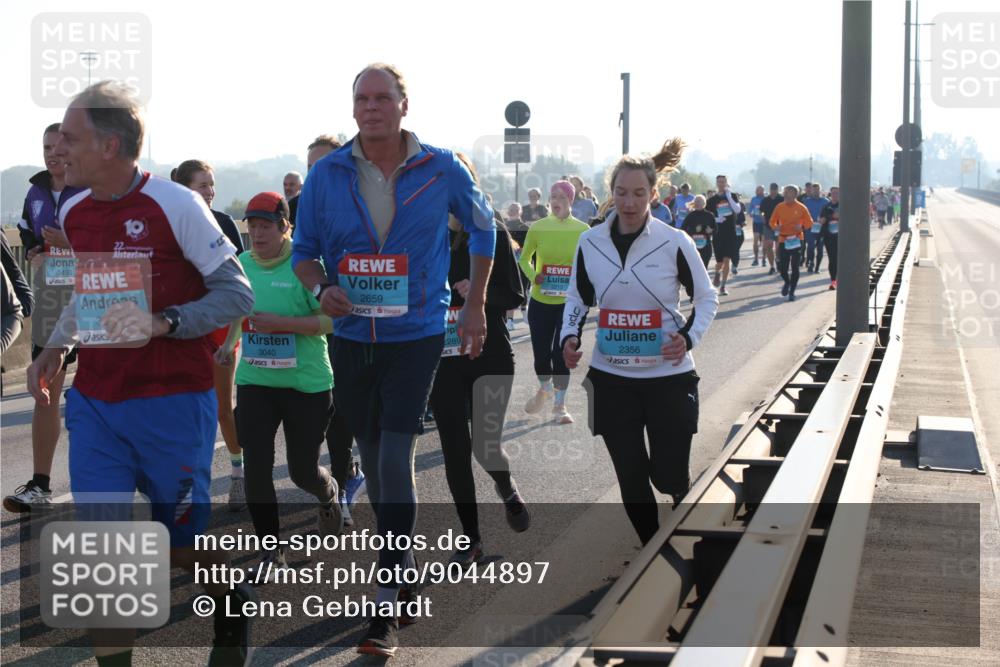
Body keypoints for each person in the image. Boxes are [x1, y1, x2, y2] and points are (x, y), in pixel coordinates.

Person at [27, 81, 256, 665]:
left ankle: (231, 606)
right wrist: (55, 348)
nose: (59, 151)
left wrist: (164, 322)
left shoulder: (177, 204)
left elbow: (237, 295)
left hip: (173, 405)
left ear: (109, 145)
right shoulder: (73, 210)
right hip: (99, 403)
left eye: (70, 139)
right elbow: (92, 294)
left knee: (183, 552)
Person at [292, 63, 496, 658]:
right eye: (362, 98)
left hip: (417, 332)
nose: (371, 107)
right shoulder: (326, 174)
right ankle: (402, 563)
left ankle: (382, 607)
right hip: (351, 335)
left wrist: (476, 305)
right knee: (377, 461)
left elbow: (484, 232)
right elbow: (305, 253)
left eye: (383, 97)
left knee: (393, 452)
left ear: (404, 105)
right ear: (352, 107)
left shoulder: (442, 167)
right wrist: (319, 287)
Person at [561, 147, 717, 545]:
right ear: (610, 193)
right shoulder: (590, 242)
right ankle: (653, 551)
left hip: (668, 377)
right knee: (630, 474)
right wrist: (569, 336)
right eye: (621, 193)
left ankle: (682, 498)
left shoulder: (674, 241)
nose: (629, 202)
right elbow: (578, 298)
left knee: (666, 475)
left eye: (638, 193)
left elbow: (706, 298)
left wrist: (688, 338)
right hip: (611, 379)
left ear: (653, 195)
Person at [215, 192, 342, 572]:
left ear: (285, 227)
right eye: (251, 226)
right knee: (257, 466)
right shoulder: (242, 264)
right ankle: (272, 549)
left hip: (307, 383)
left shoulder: (306, 267)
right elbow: (239, 314)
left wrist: (283, 324)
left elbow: (332, 321)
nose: (257, 233)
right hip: (256, 381)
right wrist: (227, 345)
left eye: (266, 226)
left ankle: (327, 492)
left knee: (302, 471)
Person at [429, 155, 529, 567]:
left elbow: (516, 297)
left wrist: (480, 294)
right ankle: (471, 540)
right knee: (454, 450)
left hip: (489, 356)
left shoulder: (494, 233)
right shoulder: (429, 237)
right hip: (445, 359)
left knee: (486, 447)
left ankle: (507, 490)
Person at [4, 122, 85, 513]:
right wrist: (36, 249)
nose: (52, 153)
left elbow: (111, 242)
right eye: (46, 146)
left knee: (106, 391)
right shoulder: (35, 191)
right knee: (45, 389)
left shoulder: (90, 188)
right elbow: (25, 230)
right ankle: (40, 484)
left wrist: (71, 244)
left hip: (98, 296)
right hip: (53, 298)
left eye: (59, 145)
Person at [171, 159, 248, 510]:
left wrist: (232, 339)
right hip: (184, 328)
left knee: (221, 409)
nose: (211, 191)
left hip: (220, 329)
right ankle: (187, 487)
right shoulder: (169, 222)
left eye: (212, 184)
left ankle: (238, 472)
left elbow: (241, 290)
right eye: (203, 185)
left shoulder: (224, 223)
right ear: (186, 190)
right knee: (183, 411)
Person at [518, 180, 589, 424]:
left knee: (561, 354)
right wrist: (533, 275)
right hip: (540, 300)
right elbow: (524, 259)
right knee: (541, 355)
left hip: (569, 303)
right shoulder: (538, 227)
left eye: (562, 197)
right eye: (553, 196)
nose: (556, 201)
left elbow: (587, 265)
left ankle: (560, 406)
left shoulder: (582, 230)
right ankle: (545, 388)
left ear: (571, 200)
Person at [769, 185, 813, 302]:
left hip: (797, 239)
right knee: (782, 268)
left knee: (795, 267)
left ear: (795, 194)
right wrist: (776, 227)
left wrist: (802, 226)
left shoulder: (801, 207)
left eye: (790, 192)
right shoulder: (779, 207)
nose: (787, 194)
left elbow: (809, 222)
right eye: (786, 192)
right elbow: (771, 221)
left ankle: (792, 292)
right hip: (783, 239)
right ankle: (787, 283)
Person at [288, 134, 342, 225]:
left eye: (321, 166)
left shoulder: (357, 202)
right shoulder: (295, 207)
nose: (314, 172)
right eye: (310, 167)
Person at [705, 175, 742, 296]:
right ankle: (716, 273)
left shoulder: (733, 196)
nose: (721, 184)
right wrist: (716, 219)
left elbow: (737, 210)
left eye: (723, 182)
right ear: (716, 184)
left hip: (730, 232)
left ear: (726, 183)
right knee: (719, 262)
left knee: (727, 260)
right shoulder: (711, 200)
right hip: (718, 233)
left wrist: (729, 197)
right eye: (719, 182)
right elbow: (707, 217)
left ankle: (723, 286)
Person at [680, 195, 716, 268]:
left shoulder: (710, 215)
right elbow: (682, 230)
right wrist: (693, 231)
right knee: (694, 268)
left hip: (706, 246)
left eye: (699, 201)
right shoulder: (690, 216)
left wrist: (711, 231)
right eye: (696, 202)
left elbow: (716, 230)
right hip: (694, 246)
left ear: (704, 203)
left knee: (704, 267)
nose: (697, 203)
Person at [803, 183, 830, 273]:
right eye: (814, 190)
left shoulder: (825, 201)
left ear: (820, 191)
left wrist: (825, 219)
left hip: (821, 228)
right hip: (810, 228)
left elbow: (829, 214)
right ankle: (811, 263)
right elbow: (803, 214)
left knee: (820, 248)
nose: (815, 192)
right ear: (811, 191)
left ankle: (817, 267)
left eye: (817, 190)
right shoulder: (806, 201)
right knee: (810, 247)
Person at [819, 186, 840, 290]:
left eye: (837, 193)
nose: (835, 195)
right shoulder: (826, 206)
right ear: (830, 194)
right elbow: (821, 218)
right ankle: (833, 281)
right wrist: (824, 219)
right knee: (832, 259)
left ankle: (842, 278)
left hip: (843, 238)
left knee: (842, 259)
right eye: (833, 193)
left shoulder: (844, 205)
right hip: (829, 236)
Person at [759, 182, 782, 275]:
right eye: (771, 189)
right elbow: (761, 211)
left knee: (779, 247)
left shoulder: (781, 199)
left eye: (775, 189)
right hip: (768, 225)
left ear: (777, 190)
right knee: (769, 245)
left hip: (779, 226)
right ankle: (772, 266)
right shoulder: (765, 200)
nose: (773, 191)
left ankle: (779, 261)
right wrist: (762, 216)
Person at [749, 185, 767, 267]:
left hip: (764, 223)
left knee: (764, 242)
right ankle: (756, 259)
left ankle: (764, 259)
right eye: (756, 190)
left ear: (763, 191)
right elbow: (750, 210)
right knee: (755, 241)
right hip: (756, 222)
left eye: (759, 190)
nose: (757, 191)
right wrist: (752, 213)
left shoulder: (766, 199)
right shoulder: (753, 199)